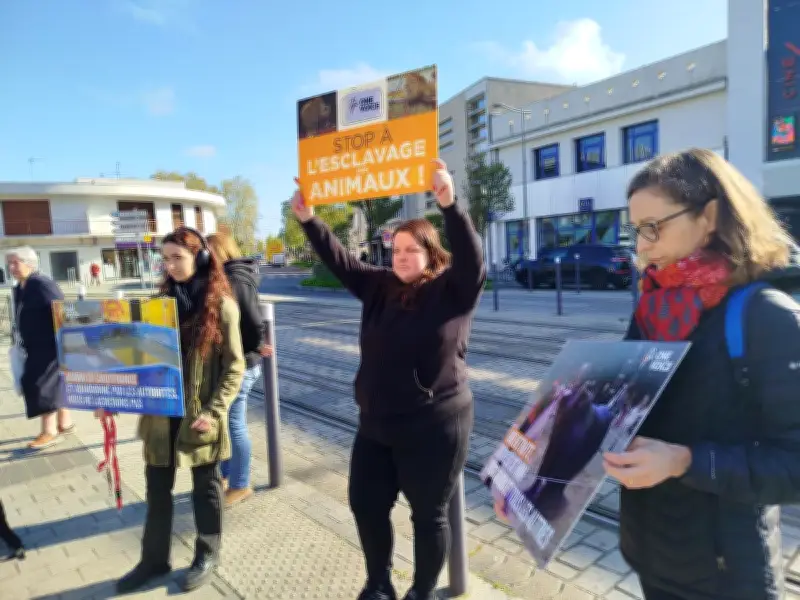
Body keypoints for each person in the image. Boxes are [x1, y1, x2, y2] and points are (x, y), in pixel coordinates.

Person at [583, 148, 799, 600]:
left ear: (710, 217)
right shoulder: (652, 307)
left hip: (727, 573)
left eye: (653, 227)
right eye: (636, 230)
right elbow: (627, 410)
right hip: (652, 552)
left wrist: (684, 460)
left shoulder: (767, 316)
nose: (641, 247)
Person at [291, 159, 485, 600]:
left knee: (428, 515)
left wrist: (450, 206)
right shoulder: (378, 286)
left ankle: (421, 592)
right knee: (365, 502)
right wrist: (309, 220)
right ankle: (379, 583)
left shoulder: (452, 291)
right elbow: (340, 260)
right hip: (376, 423)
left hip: (434, 425)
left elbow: (473, 259)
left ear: (431, 253)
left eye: (411, 250)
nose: (401, 257)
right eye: (396, 249)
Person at [117, 227, 245, 594]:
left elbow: (235, 366)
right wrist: (111, 395)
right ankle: (154, 560)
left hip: (200, 416)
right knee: (157, 491)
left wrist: (215, 411)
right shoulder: (156, 306)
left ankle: (207, 554)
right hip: (160, 416)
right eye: (165, 259)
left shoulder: (222, 307)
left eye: (178, 257)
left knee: (206, 490)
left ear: (200, 258)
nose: (170, 265)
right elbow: (135, 358)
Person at [206, 231, 273, 507]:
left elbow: (254, 321)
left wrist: (253, 348)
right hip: (235, 361)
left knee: (233, 423)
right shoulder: (228, 276)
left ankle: (240, 484)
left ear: (219, 252)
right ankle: (226, 476)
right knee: (226, 421)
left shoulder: (235, 279)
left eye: (208, 252)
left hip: (242, 363)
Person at [7, 246, 74, 449]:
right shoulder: (22, 286)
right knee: (53, 383)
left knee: (41, 385)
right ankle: (65, 423)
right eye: (9, 263)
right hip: (34, 346)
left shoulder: (41, 283)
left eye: (15, 263)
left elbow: (61, 310)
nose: (11, 267)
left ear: (29, 263)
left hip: (49, 345)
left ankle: (49, 431)